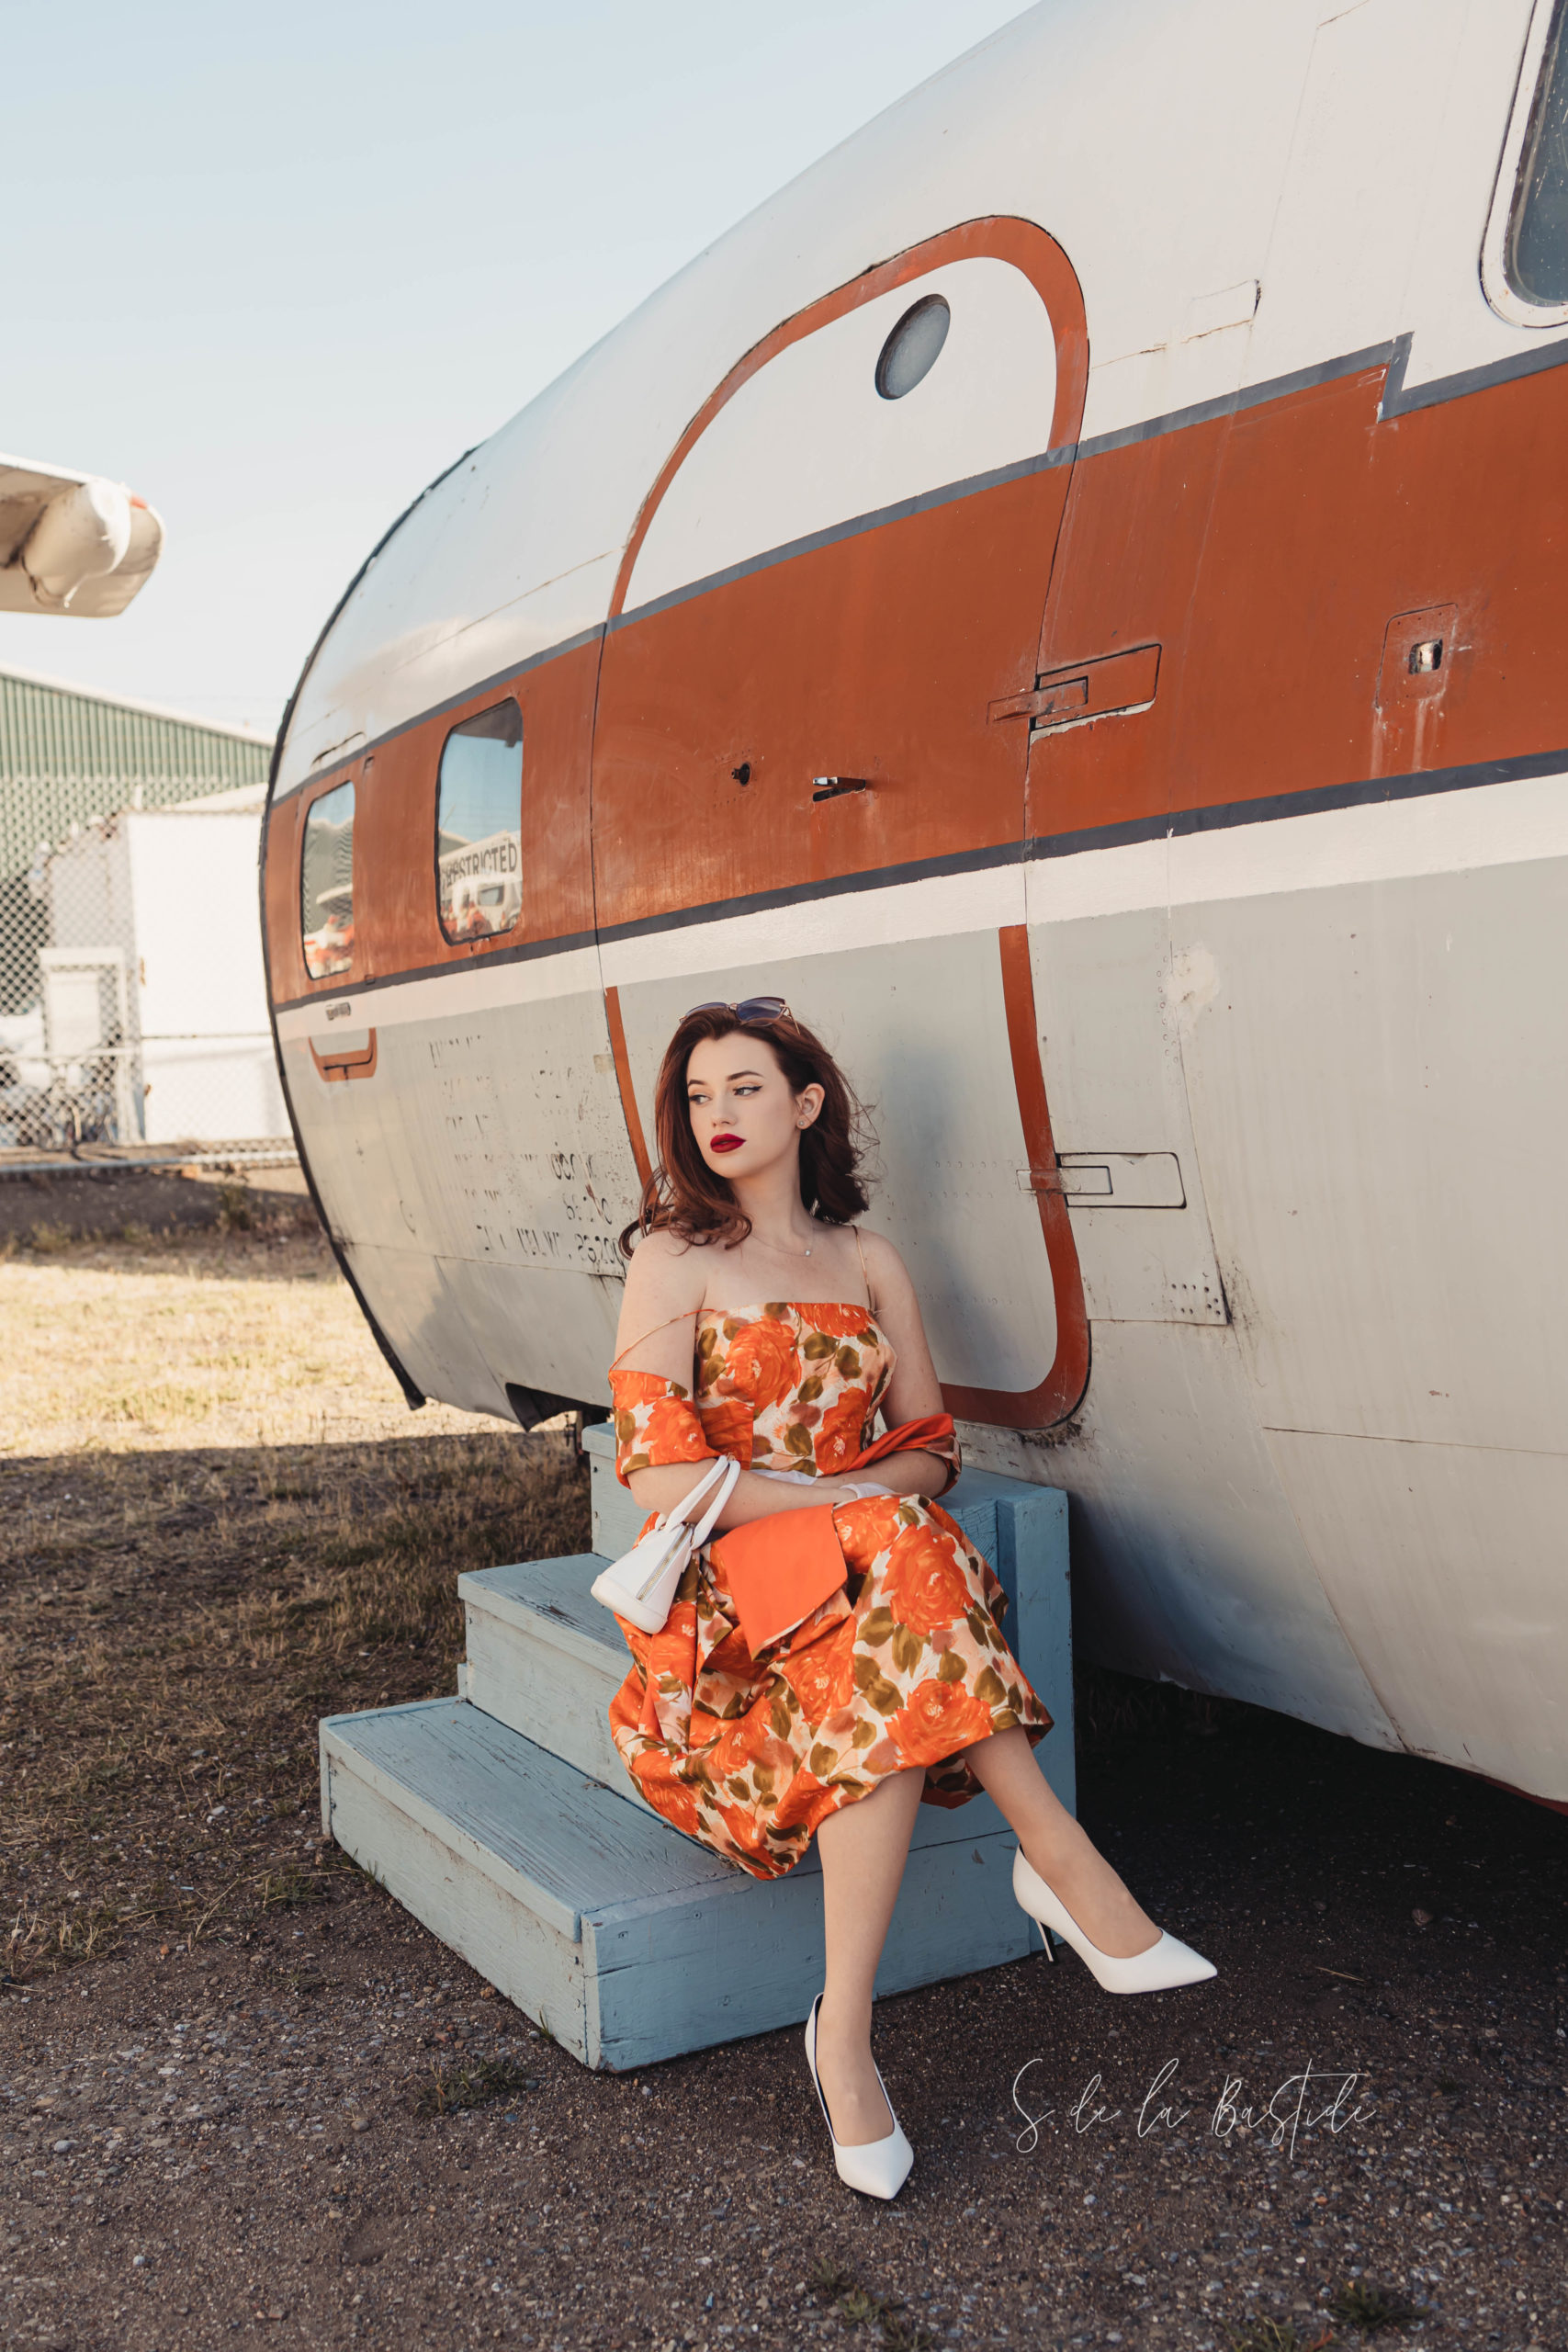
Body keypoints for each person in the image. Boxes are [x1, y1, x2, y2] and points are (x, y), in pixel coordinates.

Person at [607, 996, 1214, 2199]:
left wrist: (872, 1508)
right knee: (894, 1552)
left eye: (743, 1087)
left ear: (807, 1102)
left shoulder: (868, 1260)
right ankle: (1063, 1863)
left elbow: (932, 1448)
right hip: (728, 1612)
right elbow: (662, 1471)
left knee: (877, 1670)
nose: (716, 1114)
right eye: (696, 1095)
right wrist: (844, 1505)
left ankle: (843, 2039)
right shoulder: (671, 1259)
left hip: (872, 1599)